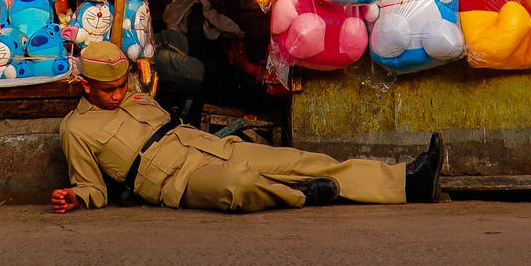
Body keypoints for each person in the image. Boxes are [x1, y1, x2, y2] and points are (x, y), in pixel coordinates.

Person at [51, 41, 444, 213]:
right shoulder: (76, 130)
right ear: (85, 86)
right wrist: (77, 198)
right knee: (235, 188)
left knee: (300, 160)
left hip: (206, 145)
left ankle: (407, 183)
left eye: (122, 85)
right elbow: (92, 188)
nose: (118, 94)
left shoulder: (134, 91)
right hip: (176, 180)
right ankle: (300, 198)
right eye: (108, 90)